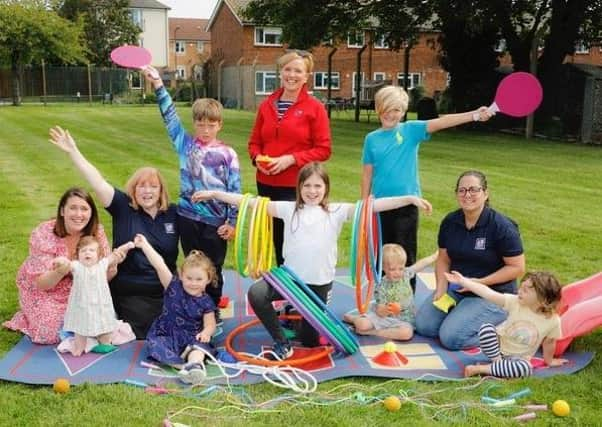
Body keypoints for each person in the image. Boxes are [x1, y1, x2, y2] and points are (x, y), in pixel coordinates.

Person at [192, 162, 432, 359]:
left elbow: (374, 206)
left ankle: (297, 317)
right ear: (299, 188)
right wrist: (215, 193)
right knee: (256, 293)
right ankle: (281, 342)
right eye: (307, 185)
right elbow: (249, 202)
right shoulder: (288, 209)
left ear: (326, 188)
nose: (312, 191)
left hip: (318, 284)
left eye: (318, 186)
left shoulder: (336, 211)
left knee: (309, 341)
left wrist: (410, 198)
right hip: (289, 281)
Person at [48, 126, 180, 339]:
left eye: (153, 187)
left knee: (181, 326)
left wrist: (228, 222)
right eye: (141, 186)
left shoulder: (173, 213)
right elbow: (97, 181)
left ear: (161, 190)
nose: (147, 191)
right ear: (133, 190)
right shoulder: (123, 207)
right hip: (132, 291)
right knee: (149, 332)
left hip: (165, 287)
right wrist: (73, 151)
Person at [361, 85, 493, 292]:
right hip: (379, 206)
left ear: (403, 111)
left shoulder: (410, 130)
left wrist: (475, 115)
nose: (391, 114)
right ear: (378, 108)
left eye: (396, 110)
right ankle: (382, 297)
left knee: (405, 255)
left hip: (407, 207)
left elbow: (442, 121)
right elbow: (367, 173)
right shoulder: (371, 139)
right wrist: (364, 206)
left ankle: (405, 301)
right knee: (381, 255)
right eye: (386, 108)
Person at [142, 66, 241, 322]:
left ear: (219, 125)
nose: (205, 129)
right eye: (200, 124)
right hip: (187, 218)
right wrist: (158, 86)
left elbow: (235, 190)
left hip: (215, 224)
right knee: (192, 265)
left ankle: (213, 311)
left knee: (213, 268)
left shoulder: (228, 154)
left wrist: (232, 222)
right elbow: (170, 118)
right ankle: (193, 308)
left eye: (211, 124)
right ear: (194, 123)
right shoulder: (185, 144)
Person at [415, 170, 526, 350]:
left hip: (491, 293)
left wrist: (478, 283)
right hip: (457, 289)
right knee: (424, 326)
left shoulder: (502, 227)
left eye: (474, 190)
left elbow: (517, 268)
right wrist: (441, 288)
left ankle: (504, 332)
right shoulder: (450, 222)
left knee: (450, 338)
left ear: (485, 193)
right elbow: (443, 259)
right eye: (462, 190)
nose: (467, 195)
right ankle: (464, 314)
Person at [248, 50, 332, 266]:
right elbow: (254, 142)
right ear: (281, 72)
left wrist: (291, 159)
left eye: (298, 71)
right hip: (266, 184)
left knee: (295, 240)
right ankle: (280, 288)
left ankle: (298, 290)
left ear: (306, 76)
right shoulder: (267, 105)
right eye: (287, 69)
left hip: (296, 186)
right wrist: (257, 158)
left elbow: (324, 149)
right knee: (274, 239)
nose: (291, 75)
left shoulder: (315, 108)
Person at [3, 187, 112, 344]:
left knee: (99, 324)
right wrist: (61, 270)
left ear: (91, 213)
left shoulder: (97, 232)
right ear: (62, 211)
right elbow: (42, 284)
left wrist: (112, 268)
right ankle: (27, 316)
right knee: (53, 332)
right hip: (45, 289)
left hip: (81, 288)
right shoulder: (43, 232)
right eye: (73, 208)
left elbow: (102, 275)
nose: (79, 214)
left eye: (84, 209)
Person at [445, 270, 567, 378]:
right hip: (496, 351)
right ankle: (498, 364)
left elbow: (549, 342)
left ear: (543, 300)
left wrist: (549, 361)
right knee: (486, 329)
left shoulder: (553, 320)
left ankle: (482, 369)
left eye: (525, 290)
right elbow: (489, 294)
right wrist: (464, 281)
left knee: (525, 368)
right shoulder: (515, 302)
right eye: (521, 287)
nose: (519, 291)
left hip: (517, 359)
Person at [134, 233, 217, 384]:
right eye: (189, 278)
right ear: (181, 275)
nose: (193, 283)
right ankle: (183, 367)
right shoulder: (173, 287)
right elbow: (159, 265)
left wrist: (206, 333)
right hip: (167, 333)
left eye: (199, 279)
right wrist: (145, 245)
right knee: (155, 345)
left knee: (199, 349)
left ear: (208, 279)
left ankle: (194, 364)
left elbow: (210, 324)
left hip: (192, 336)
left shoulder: (206, 302)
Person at [56, 237, 134, 356]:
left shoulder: (102, 264)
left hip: (100, 305)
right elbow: (66, 264)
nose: (87, 253)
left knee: (104, 326)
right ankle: (79, 346)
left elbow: (115, 255)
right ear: (78, 255)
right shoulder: (76, 266)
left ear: (99, 255)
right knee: (80, 328)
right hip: (81, 306)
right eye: (83, 251)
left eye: (91, 250)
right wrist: (61, 261)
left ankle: (104, 343)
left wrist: (127, 246)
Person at [343, 244, 438, 341]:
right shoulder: (381, 286)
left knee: (406, 334)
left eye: (400, 268)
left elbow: (419, 265)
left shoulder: (405, 274)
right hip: (384, 318)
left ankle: (370, 332)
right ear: (384, 268)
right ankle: (352, 318)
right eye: (392, 269)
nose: (397, 272)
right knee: (362, 324)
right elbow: (380, 312)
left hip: (404, 319)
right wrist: (389, 308)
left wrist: (434, 257)